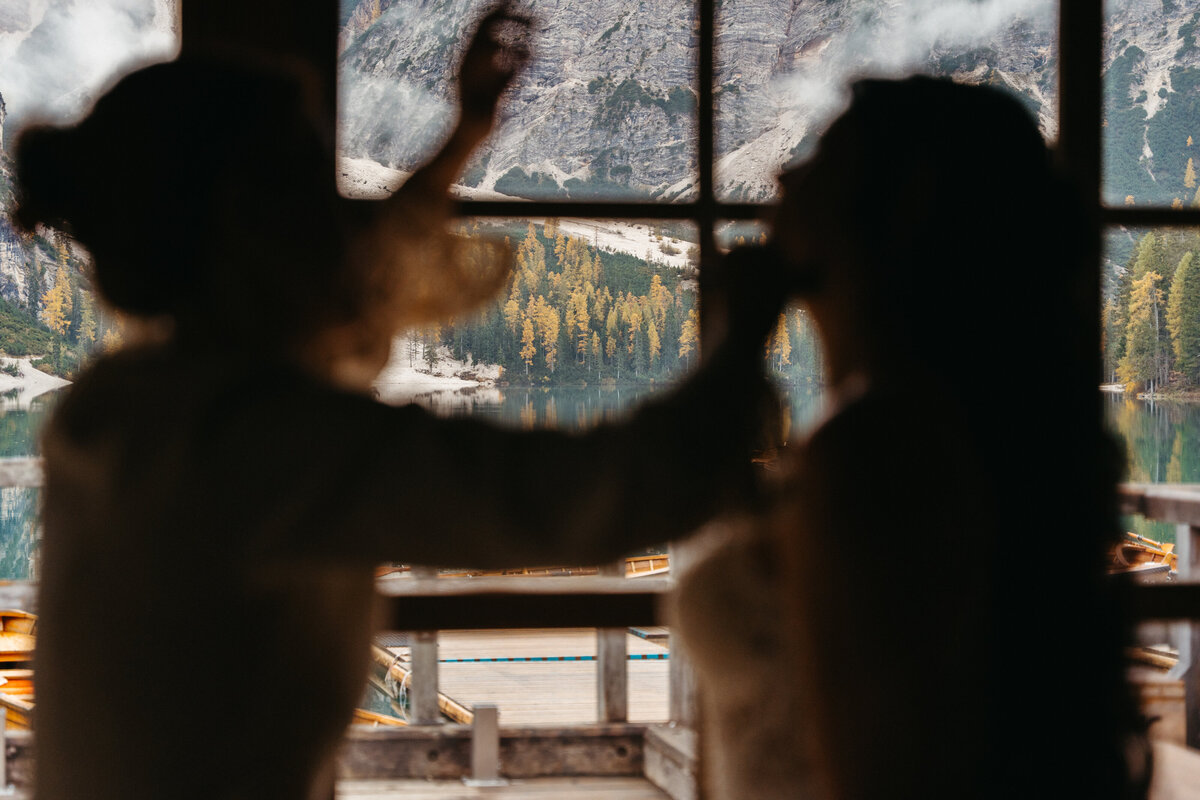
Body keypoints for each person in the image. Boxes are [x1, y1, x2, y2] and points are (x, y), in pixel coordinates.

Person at [14, 7, 779, 799]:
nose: (344, 221)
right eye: (318, 189)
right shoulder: (264, 440)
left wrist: (461, 137)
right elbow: (604, 491)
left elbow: (355, 282)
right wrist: (750, 321)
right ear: (258, 223)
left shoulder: (118, 410)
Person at [674, 77, 1148, 800]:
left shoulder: (873, 456)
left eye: (824, 156)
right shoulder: (932, 433)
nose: (783, 172)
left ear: (904, 204)